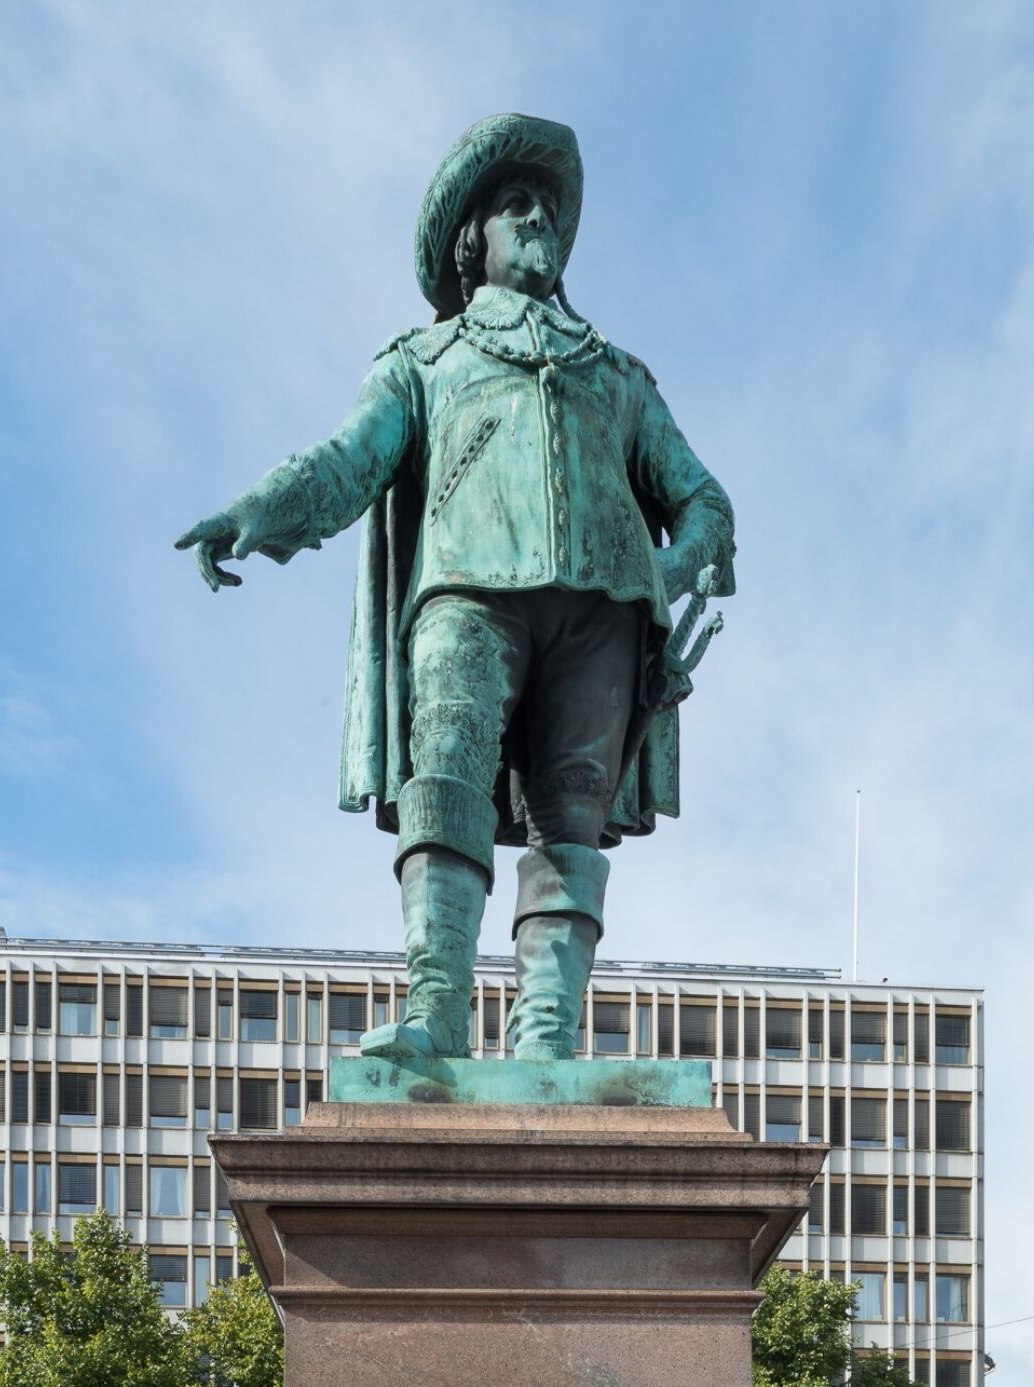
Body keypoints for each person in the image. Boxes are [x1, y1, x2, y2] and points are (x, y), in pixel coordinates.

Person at [176, 113, 735, 1061]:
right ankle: (436, 1009)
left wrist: (659, 579)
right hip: (466, 596)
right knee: (445, 778)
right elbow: (346, 464)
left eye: (548, 209)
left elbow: (706, 505)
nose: (539, 220)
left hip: (601, 616)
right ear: (473, 239)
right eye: (517, 205)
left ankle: (546, 1034)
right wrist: (254, 512)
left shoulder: (620, 378)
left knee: (572, 811)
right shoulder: (425, 361)